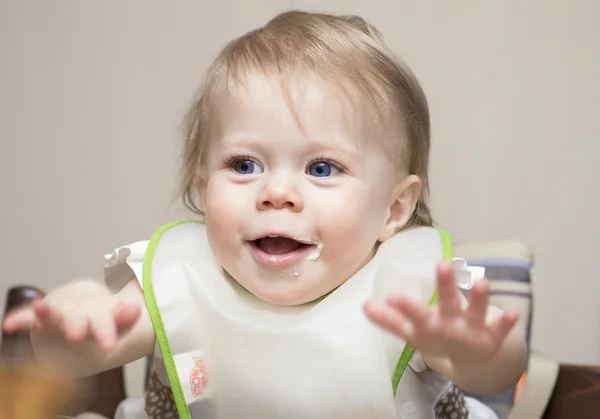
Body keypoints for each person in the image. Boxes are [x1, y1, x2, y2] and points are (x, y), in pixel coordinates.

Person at [2, 10, 527, 419]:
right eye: (244, 164)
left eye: (322, 168)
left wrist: (479, 351)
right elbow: (81, 354)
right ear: (204, 188)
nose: (277, 192)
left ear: (393, 209)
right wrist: (75, 323)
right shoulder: (180, 275)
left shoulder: (419, 292)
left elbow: (495, 372)